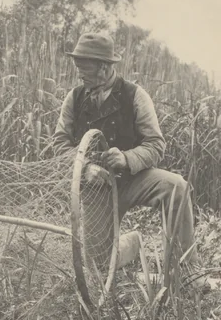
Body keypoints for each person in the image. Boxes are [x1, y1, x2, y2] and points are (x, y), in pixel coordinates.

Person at [53, 33, 206, 289]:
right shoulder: (74, 98)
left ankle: (186, 271)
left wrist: (127, 158)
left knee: (176, 186)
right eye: (77, 65)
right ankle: (131, 243)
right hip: (96, 186)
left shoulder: (135, 95)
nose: (79, 73)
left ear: (103, 66)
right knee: (98, 268)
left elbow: (156, 145)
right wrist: (85, 169)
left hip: (134, 178)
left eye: (84, 67)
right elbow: (59, 144)